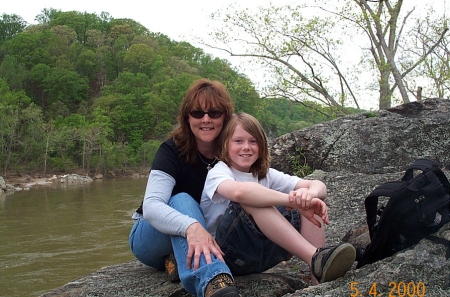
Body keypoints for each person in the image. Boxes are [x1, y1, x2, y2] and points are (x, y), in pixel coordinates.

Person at [200, 112, 356, 285]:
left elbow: (318, 185)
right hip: (227, 256)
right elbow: (239, 193)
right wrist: (292, 200)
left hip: (263, 253)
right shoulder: (218, 172)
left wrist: (308, 197)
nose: (246, 147)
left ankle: (319, 280)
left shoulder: (265, 174)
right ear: (225, 144)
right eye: (238, 141)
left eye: (253, 141)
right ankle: (315, 257)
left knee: (310, 202)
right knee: (254, 198)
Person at [129, 78, 240, 297]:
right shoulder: (172, 150)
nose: (206, 119)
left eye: (214, 113)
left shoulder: (233, 150)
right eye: (197, 113)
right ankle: (215, 282)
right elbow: (151, 206)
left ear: (225, 117)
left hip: (203, 234)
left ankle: (178, 259)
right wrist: (191, 226)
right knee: (182, 200)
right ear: (187, 118)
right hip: (150, 237)